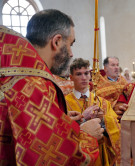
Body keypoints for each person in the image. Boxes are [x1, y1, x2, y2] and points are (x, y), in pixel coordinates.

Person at [0, 9, 103, 165]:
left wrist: (58, 124)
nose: (71, 54)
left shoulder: (13, 71)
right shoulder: (32, 84)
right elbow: (51, 159)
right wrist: (86, 135)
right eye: (70, 44)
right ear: (56, 42)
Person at [65, 58, 121, 165]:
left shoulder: (103, 102)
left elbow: (116, 127)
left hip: (101, 152)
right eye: (78, 74)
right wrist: (83, 118)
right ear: (71, 77)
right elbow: (62, 129)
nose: (84, 78)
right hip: (80, 154)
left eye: (86, 73)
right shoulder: (64, 102)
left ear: (90, 75)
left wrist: (103, 119)